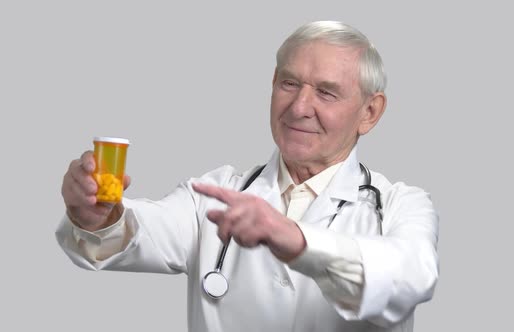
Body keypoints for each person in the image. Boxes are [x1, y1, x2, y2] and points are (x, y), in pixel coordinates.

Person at [57, 21, 439, 332]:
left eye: (326, 92)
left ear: (370, 112)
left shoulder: (399, 205)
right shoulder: (218, 193)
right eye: (289, 83)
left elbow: (411, 277)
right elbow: (135, 231)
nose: (299, 107)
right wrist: (97, 217)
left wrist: (298, 241)